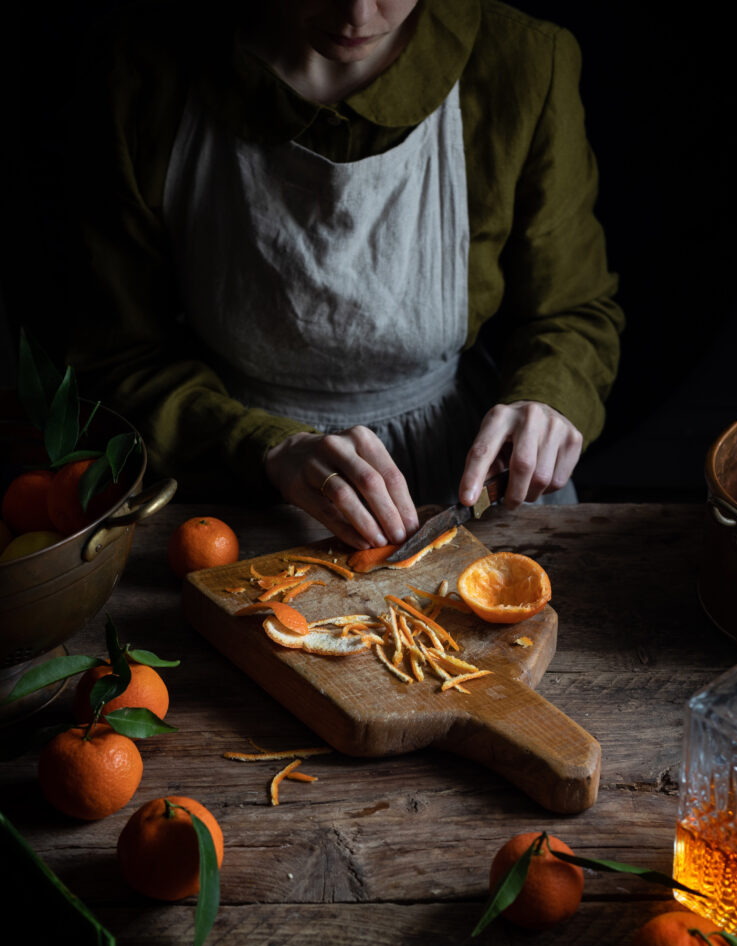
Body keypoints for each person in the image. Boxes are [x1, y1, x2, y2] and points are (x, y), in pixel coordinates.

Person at [62, 0, 623, 550]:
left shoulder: (521, 63)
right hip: (227, 484)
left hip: (463, 480)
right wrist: (266, 450)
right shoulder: (141, 72)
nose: (357, 14)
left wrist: (549, 400)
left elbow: (572, 312)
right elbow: (115, 355)